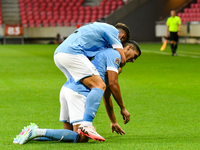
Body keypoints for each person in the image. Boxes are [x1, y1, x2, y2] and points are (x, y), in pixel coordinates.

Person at [13, 40, 141, 144]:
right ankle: (37, 131)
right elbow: (113, 84)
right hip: (78, 93)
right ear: (128, 47)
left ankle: (33, 136)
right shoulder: (115, 55)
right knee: (82, 138)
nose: (133, 61)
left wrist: (113, 121)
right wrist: (123, 108)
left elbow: (106, 96)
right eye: (134, 56)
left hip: (67, 89)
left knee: (70, 136)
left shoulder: (103, 57)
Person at [54, 21, 131, 140]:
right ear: (122, 37)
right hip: (72, 53)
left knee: (76, 137)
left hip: (59, 55)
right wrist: (119, 68)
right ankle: (87, 124)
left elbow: (106, 95)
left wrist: (113, 120)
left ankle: (37, 133)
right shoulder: (113, 31)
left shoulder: (98, 38)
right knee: (99, 85)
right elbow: (122, 58)